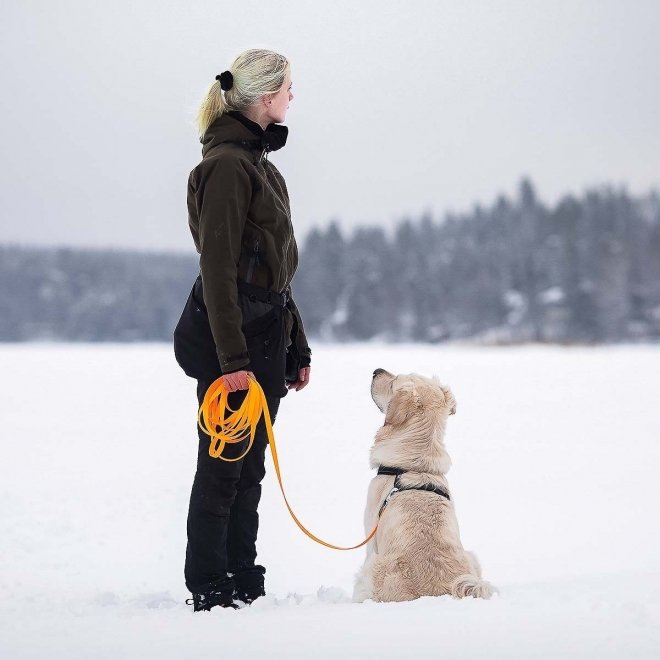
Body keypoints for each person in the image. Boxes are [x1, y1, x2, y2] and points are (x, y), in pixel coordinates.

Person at [173, 48, 312, 612]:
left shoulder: (260, 165)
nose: (292, 96)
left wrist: (294, 345)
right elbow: (219, 269)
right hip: (230, 342)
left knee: (249, 468)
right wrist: (232, 364)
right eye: (287, 87)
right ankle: (209, 584)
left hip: (263, 334)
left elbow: (274, 269)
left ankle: (241, 577)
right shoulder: (227, 165)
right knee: (223, 468)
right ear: (263, 96)